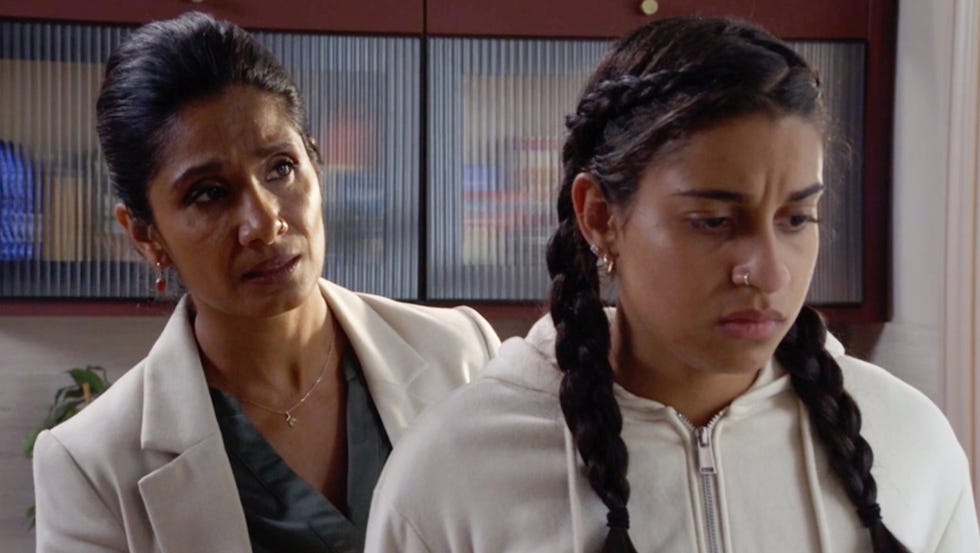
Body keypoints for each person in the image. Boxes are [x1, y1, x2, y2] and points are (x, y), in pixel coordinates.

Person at [365, 16, 979, 553]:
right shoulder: (454, 472)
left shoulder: (909, 443)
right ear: (600, 217)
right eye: (713, 221)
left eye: (796, 219)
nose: (769, 272)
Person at [31, 11, 500, 553]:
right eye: (209, 193)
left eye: (280, 168)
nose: (265, 222)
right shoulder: (92, 464)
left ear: (315, 162)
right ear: (145, 234)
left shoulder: (460, 356)